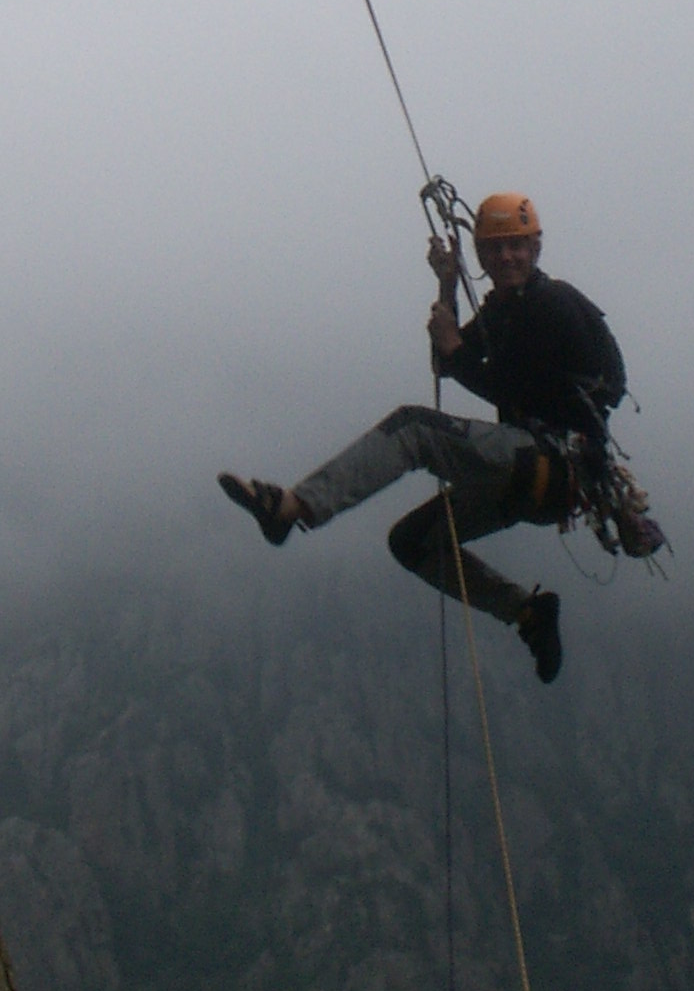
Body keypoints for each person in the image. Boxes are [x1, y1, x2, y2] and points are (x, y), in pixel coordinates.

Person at [217, 191, 627, 684]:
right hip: (532, 473)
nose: (506, 257)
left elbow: (505, 379)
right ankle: (526, 612)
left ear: (536, 248)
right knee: (412, 543)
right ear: (480, 255)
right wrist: (447, 284)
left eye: (516, 246)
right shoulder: (506, 309)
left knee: (414, 428)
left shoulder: (552, 304)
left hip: (552, 463)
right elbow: (447, 358)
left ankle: (291, 507)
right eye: (494, 248)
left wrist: (455, 349)